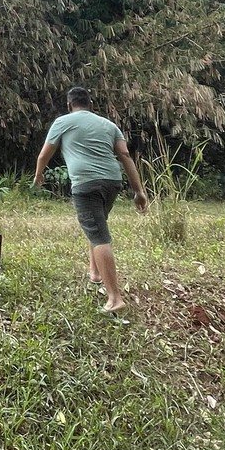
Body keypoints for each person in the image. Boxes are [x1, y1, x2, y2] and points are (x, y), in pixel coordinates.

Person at [31, 86, 147, 313]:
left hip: (86, 184)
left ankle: (115, 298)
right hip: (113, 182)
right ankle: (94, 273)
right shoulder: (109, 125)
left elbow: (44, 154)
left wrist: (38, 175)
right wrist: (139, 191)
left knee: (99, 235)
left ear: (69, 105)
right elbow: (124, 155)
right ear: (91, 104)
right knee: (97, 225)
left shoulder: (63, 122)